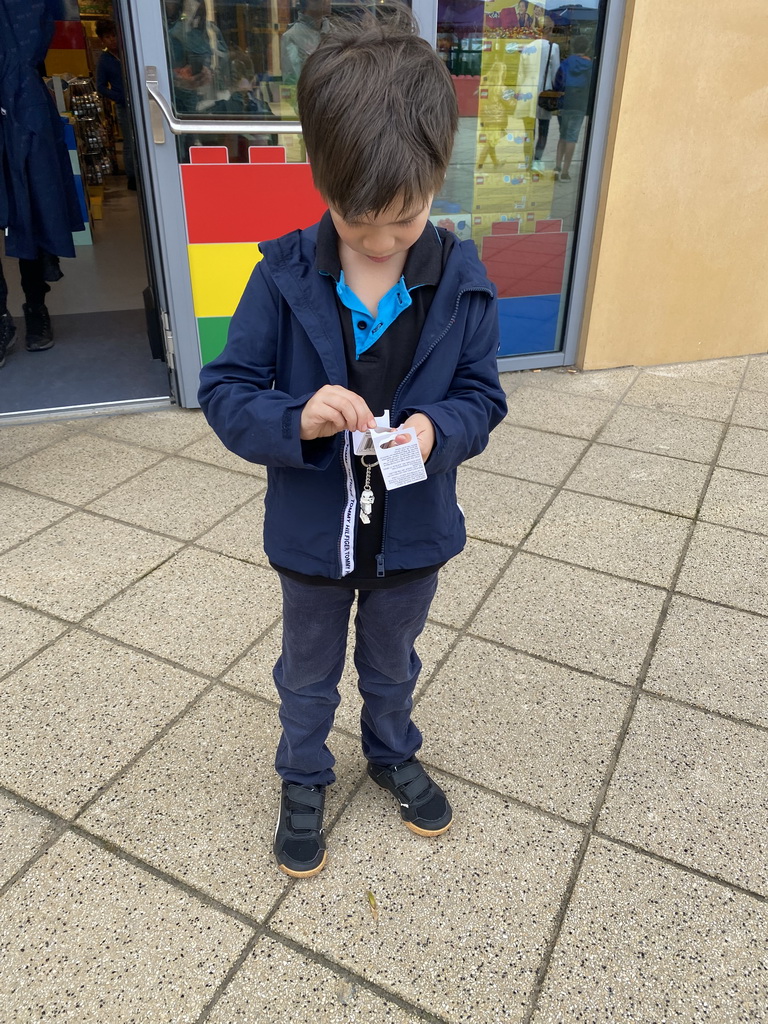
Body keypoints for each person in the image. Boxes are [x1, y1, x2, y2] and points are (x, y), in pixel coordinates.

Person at [198, 8, 507, 879]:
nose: (377, 241)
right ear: (320, 178)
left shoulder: (463, 284)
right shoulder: (283, 272)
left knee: (392, 658)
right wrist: (294, 418)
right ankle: (303, 773)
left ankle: (390, 749)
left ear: (438, 178)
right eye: (357, 218)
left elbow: (484, 399)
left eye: (403, 223)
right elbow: (224, 391)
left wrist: (436, 427)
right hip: (311, 538)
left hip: (412, 537)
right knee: (307, 669)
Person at [0, 0, 84, 367]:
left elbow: (62, 15)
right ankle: (1, 318)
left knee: (31, 207)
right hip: (23, 97)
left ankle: (36, 306)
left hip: (24, 101)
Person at [94, 18, 136, 190]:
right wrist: (119, 97)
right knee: (129, 142)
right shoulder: (105, 60)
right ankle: (132, 177)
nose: (112, 40)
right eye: (107, 37)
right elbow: (101, 87)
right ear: (102, 40)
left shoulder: (130, 53)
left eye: (113, 35)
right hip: (124, 106)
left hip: (141, 102)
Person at [554, 35, 594, 182]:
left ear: (573, 47)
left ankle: (557, 166)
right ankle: (565, 171)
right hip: (580, 102)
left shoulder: (566, 62)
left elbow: (558, 81)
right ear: (587, 48)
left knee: (562, 134)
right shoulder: (591, 65)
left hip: (565, 101)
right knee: (572, 136)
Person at [531, 17, 560, 171]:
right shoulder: (553, 47)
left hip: (528, 93)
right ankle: (536, 160)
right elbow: (556, 72)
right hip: (545, 93)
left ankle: (526, 159)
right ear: (550, 29)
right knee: (543, 130)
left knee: (529, 130)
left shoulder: (528, 47)